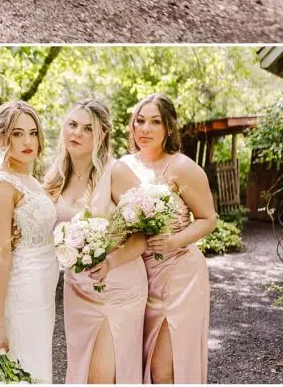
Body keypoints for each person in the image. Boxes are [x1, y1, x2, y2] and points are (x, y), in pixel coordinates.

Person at [46, 100, 147, 384]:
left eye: (87, 128)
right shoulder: (55, 178)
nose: (76, 133)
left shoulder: (116, 172)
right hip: (77, 289)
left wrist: (110, 261)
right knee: (81, 369)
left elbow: (142, 237)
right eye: (72, 125)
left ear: (101, 134)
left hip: (118, 286)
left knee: (101, 376)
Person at [121, 94, 216, 384]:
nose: (145, 129)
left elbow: (208, 219)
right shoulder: (122, 166)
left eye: (155, 122)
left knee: (165, 367)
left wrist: (175, 241)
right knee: (140, 362)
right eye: (140, 121)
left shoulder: (182, 167)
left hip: (180, 274)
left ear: (169, 128)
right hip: (140, 277)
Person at [0, 101, 57, 383]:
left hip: (43, 289)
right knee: (24, 364)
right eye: (17, 133)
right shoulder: (1, 186)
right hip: (22, 289)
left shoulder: (29, 179)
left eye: (33, 133)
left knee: (36, 362)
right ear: (1, 138)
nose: (28, 141)